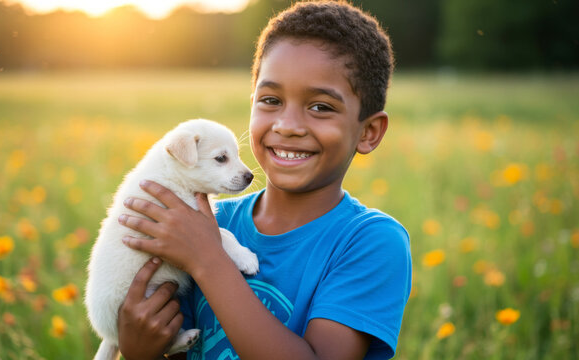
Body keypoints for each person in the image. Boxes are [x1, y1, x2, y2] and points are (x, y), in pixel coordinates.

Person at [115, 1, 412, 359]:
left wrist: (208, 259)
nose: (287, 125)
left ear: (369, 132)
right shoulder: (206, 222)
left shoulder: (370, 242)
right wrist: (137, 350)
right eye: (271, 100)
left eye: (320, 107)